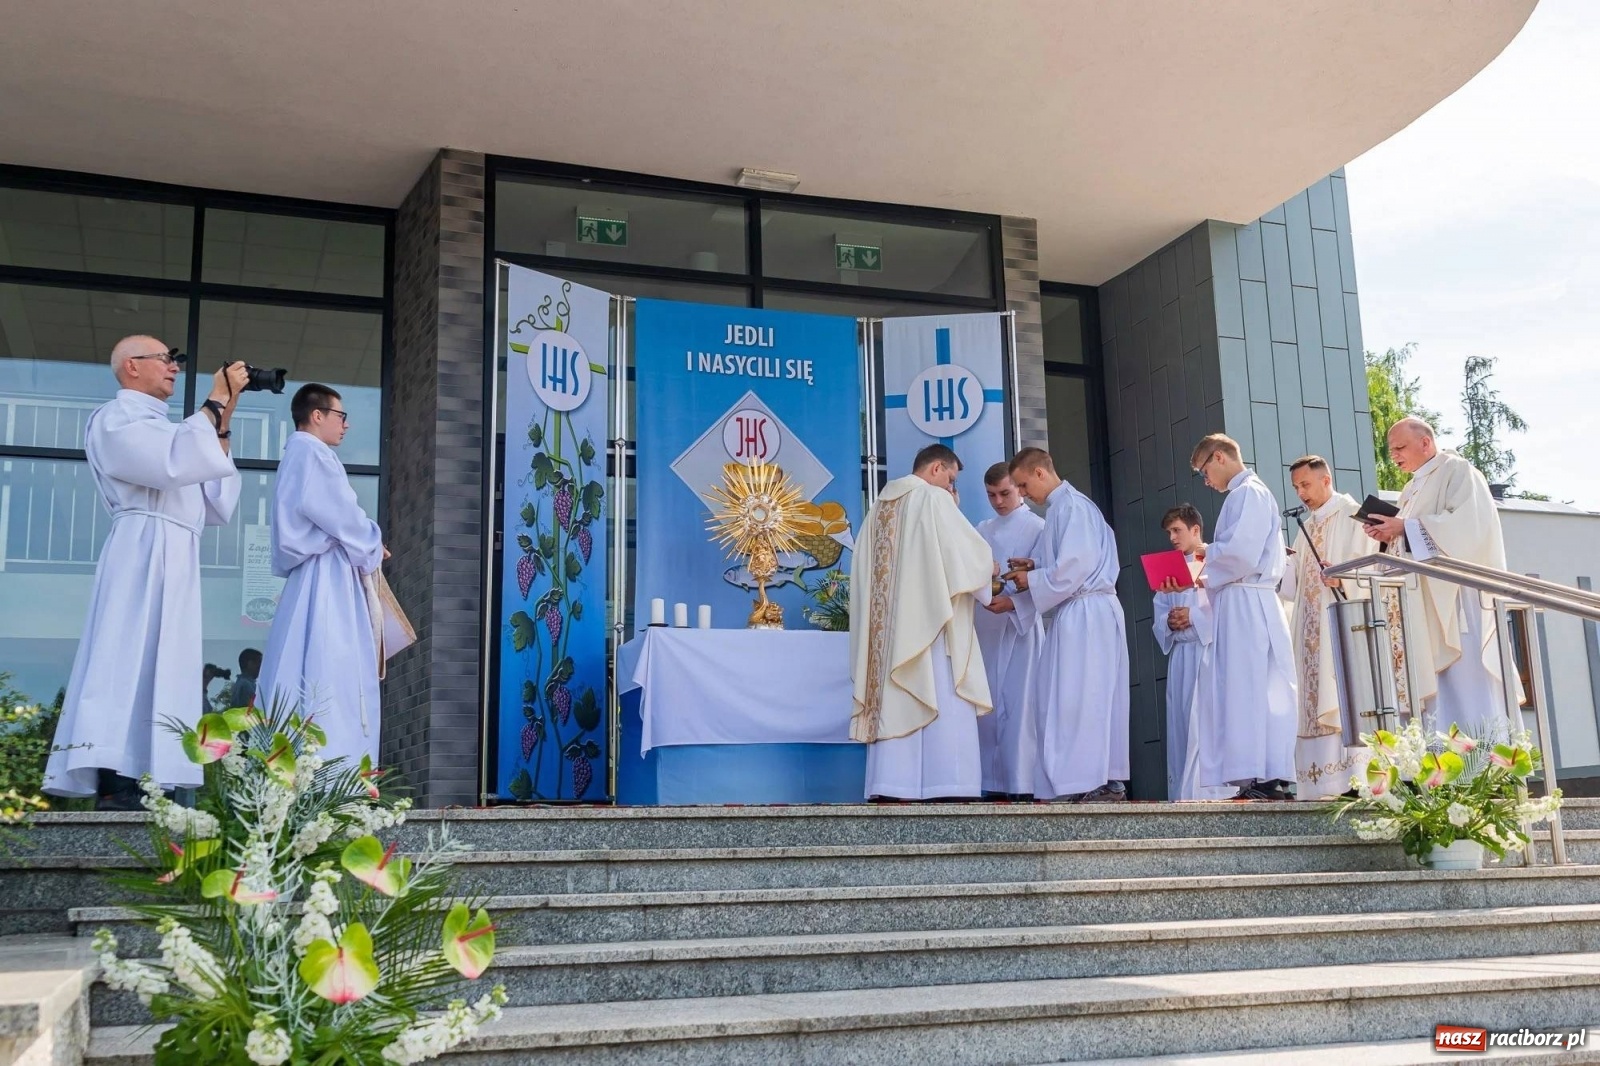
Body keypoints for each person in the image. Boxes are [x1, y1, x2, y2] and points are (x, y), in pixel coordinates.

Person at [44, 337, 245, 808]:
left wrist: (225, 414)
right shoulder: (116, 418)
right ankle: (117, 776)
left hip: (177, 552)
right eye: (167, 359)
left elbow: (213, 495)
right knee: (126, 655)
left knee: (166, 662)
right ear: (132, 366)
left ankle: (156, 771)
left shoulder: (167, 426)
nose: (175, 367)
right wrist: (214, 402)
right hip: (141, 546)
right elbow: (170, 463)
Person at [850, 444, 994, 801]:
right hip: (931, 632)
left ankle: (892, 785)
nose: (951, 487)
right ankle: (947, 785)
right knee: (942, 695)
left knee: (897, 698)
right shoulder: (934, 500)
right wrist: (989, 569)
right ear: (935, 469)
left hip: (889, 639)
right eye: (951, 478)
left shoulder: (878, 510)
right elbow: (970, 558)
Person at [258, 384, 386, 766]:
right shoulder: (313, 453)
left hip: (314, 571)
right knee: (332, 665)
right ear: (317, 415)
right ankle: (332, 769)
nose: (345, 426)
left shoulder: (297, 454)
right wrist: (372, 544)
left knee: (306, 662)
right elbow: (341, 513)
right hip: (327, 573)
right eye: (341, 416)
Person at [1362, 417, 1508, 739]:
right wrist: (1386, 534)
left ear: (1425, 443)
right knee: (1434, 686)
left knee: (1464, 681)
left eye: (1400, 447)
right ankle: (1440, 766)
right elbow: (1408, 542)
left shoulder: (1458, 471)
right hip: (1421, 601)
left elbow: (1468, 527)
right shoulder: (1410, 489)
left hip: (1455, 597)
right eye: (1391, 450)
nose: (1394, 456)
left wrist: (1404, 527)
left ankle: (1483, 763)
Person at [1006, 447, 1129, 802]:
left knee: (1081, 696)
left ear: (1041, 473)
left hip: (1086, 613)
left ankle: (1090, 781)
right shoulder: (1065, 508)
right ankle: (1091, 779)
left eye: (1024, 485)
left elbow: (1073, 568)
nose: (1025, 495)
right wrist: (1034, 567)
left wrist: (1033, 580)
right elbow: (1065, 563)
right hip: (1082, 612)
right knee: (1072, 696)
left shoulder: (1072, 507)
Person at [1186, 433, 1297, 800]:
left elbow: (1241, 555)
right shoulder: (1244, 494)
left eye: (1204, 471)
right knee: (1241, 687)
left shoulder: (1248, 492)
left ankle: (1264, 776)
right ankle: (1254, 776)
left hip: (1248, 602)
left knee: (1251, 687)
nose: (1206, 481)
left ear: (1219, 457)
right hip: (1240, 601)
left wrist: (1204, 553)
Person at [1277, 456, 1369, 799]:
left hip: (1339, 626)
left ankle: (1352, 780)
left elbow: (1368, 570)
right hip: (1309, 629)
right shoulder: (1307, 529)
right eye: (1296, 487)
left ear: (1326, 479)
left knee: (1341, 692)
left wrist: (1343, 572)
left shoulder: (1352, 516)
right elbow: (1293, 588)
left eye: (1306, 484)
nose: (1301, 493)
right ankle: (1318, 784)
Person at [973, 463, 1045, 798]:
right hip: (987, 627)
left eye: (1005, 493)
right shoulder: (982, 529)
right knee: (985, 707)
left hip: (1021, 629)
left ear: (1019, 488)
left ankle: (1022, 783)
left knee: (1021, 706)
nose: (998, 501)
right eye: (991, 495)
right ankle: (989, 783)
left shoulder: (1038, 528)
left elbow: (1047, 577)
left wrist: (1016, 603)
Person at [1152, 504, 1228, 801]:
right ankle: (1183, 793)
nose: (1172, 537)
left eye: (1177, 530)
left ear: (1195, 530)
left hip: (1207, 651)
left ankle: (1210, 792)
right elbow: (1159, 608)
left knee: (1205, 722)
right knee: (1182, 724)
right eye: (1169, 532)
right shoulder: (1168, 567)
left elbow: (1223, 606)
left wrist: (1193, 617)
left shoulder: (1216, 561)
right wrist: (1169, 621)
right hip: (1181, 654)